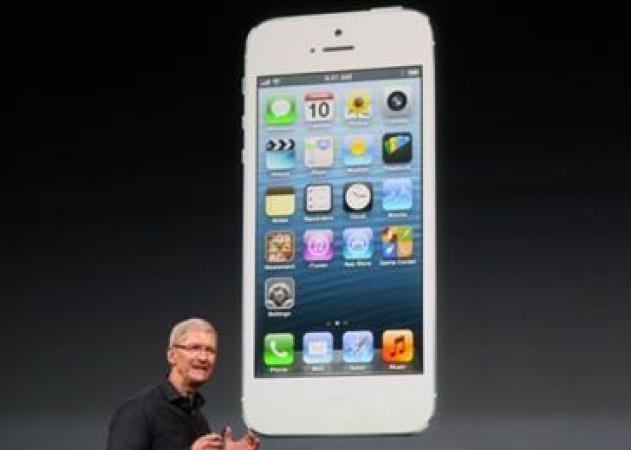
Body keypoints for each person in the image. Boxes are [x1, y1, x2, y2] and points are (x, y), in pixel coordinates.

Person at [107, 318, 261, 450]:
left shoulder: (199, 419)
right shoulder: (138, 411)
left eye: (210, 350)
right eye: (194, 348)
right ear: (171, 355)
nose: (203, 357)